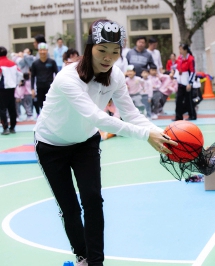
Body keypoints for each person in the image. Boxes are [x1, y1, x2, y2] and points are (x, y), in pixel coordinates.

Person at [33, 19, 178, 266]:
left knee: (92, 199)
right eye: (102, 50)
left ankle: (96, 263)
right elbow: (97, 116)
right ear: (90, 48)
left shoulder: (116, 76)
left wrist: (159, 132)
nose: (108, 58)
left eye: (114, 52)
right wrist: (145, 136)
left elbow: (131, 113)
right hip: (51, 145)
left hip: (85, 143)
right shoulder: (68, 78)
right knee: (69, 207)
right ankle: (82, 256)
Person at [0, 46, 23, 135]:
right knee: (12, 108)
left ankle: (5, 128)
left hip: (2, 89)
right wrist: (15, 83)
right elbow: (20, 74)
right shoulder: (13, 63)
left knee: (2, 109)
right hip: (12, 88)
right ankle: (12, 127)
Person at [30, 43, 58, 111]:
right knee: (41, 104)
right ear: (38, 51)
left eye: (44, 50)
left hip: (50, 87)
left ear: (47, 51)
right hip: (39, 87)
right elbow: (32, 76)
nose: (43, 52)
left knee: (50, 103)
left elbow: (57, 74)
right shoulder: (35, 63)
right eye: (41, 50)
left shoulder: (52, 62)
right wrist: (32, 89)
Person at [173, 43, 196, 121]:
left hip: (187, 82)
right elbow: (178, 69)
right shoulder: (179, 58)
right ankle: (178, 116)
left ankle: (192, 115)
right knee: (178, 100)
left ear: (185, 50)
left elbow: (192, 72)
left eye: (181, 49)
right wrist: (175, 77)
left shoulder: (191, 59)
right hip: (180, 82)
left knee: (188, 100)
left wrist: (190, 83)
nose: (180, 51)